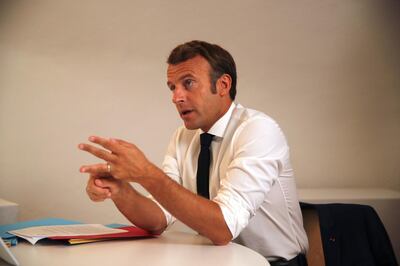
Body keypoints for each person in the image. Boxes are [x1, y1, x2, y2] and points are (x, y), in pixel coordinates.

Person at [78, 40, 308, 265]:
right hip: (218, 261)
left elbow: (223, 228)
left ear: (223, 85)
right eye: (172, 87)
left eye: (188, 83)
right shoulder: (183, 136)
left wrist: (146, 173)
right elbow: (158, 218)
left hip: (275, 263)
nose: (176, 97)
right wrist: (120, 191)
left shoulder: (259, 130)